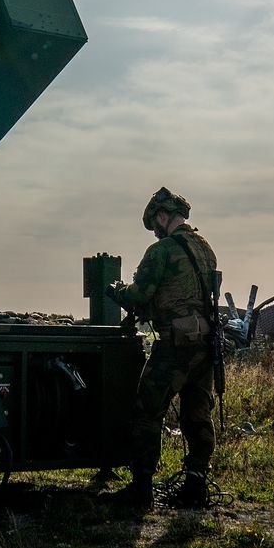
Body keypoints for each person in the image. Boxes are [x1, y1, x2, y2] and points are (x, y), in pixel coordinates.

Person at [107, 187, 219, 509]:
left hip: (175, 346)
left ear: (161, 215)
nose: (155, 231)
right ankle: (196, 484)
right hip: (205, 343)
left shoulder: (162, 252)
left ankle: (141, 488)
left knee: (147, 411)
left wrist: (117, 291)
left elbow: (140, 295)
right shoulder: (205, 248)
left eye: (154, 223)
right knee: (198, 415)